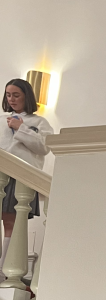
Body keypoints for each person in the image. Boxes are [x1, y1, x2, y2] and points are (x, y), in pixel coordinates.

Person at [0, 79, 54, 276]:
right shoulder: (1, 119)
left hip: (19, 177)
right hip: (2, 173)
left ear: (26, 96)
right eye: (8, 95)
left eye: (16, 95)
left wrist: (21, 128)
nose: (11, 99)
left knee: (11, 223)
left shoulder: (39, 122)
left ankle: (4, 270)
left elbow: (44, 147)